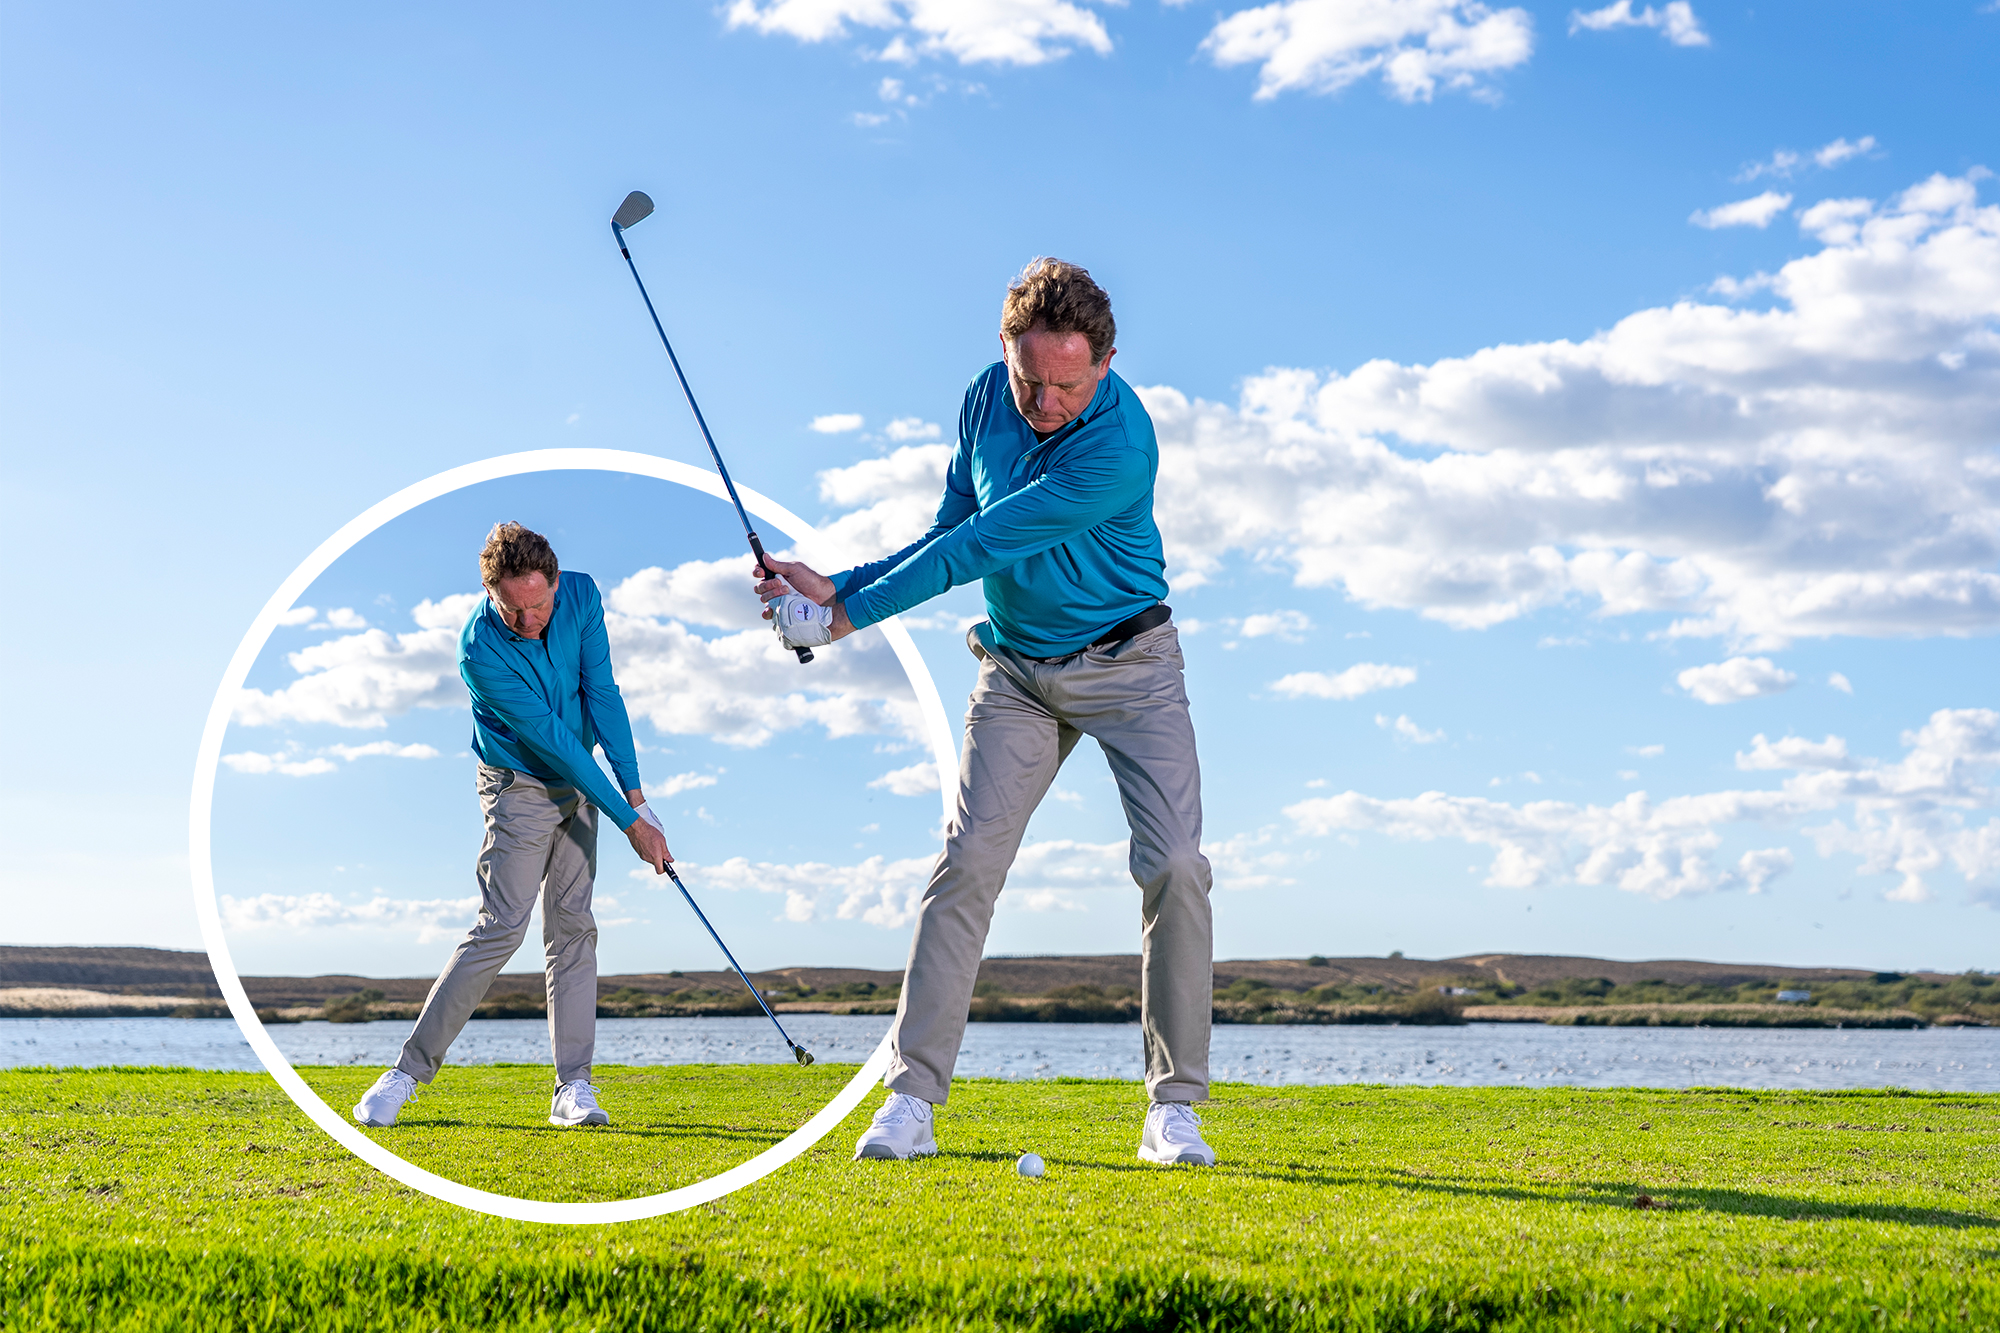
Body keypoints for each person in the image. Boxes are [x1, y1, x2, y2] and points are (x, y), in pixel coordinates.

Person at [757, 258, 1217, 1167]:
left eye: (1067, 383)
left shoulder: (1121, 447)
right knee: (965, 863)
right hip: (1015, 669)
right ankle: (911, 1098)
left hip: (1131, 665)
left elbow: (981, 544)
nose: (1044, 401)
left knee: (1174, 865)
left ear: (1109, 362)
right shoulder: (983, 400)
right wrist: (836, 581)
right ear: (1003, 355)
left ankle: (1174, 1110)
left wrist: (843, 615)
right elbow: (949, 522)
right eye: (1028, 379)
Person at [352, 522, 674, 1130]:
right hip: (519, 784)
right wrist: (630, 821)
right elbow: (553, 742)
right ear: (490, 594)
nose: (531, 622)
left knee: (574, 929)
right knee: (502, 926)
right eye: (513, 609)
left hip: (585, 787)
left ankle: (572, 1089)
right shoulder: (479, 649)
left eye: (540, 604)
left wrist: (635, 794)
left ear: (555, 582)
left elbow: (602, 694)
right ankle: (405, 1073)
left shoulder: (581, 597)